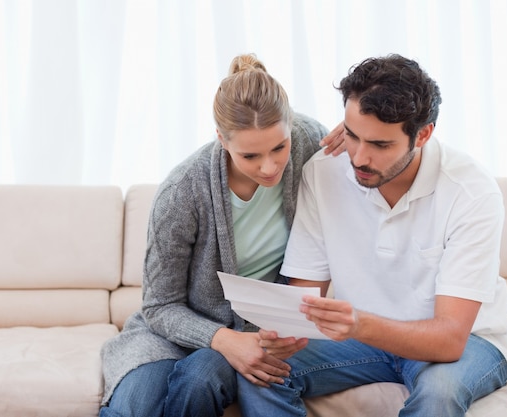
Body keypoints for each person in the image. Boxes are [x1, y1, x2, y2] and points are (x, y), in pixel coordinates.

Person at [237, 54, 507, 417]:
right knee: (260, 370)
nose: (358, 157)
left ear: (423, 134)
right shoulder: (323, 172)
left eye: (380, 145)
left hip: (467, 341)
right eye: (352, 136)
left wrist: (358, 323)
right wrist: (281, 335)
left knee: (440, 393)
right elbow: (302, 301)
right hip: (359, 340)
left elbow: (450, 339)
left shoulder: (470, 191)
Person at [98, 53, 343, 417]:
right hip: (172, 329)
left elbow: (373, 163)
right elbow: (159, 307)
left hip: (253, 331)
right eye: (250, 155)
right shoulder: (182, 193)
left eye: (279, 147)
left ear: (290, 125)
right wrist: (224, 339)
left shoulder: (308, 139)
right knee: (135, 407)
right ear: (221, 140)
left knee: (200, 381)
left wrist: (356, 136)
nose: (270, 166)